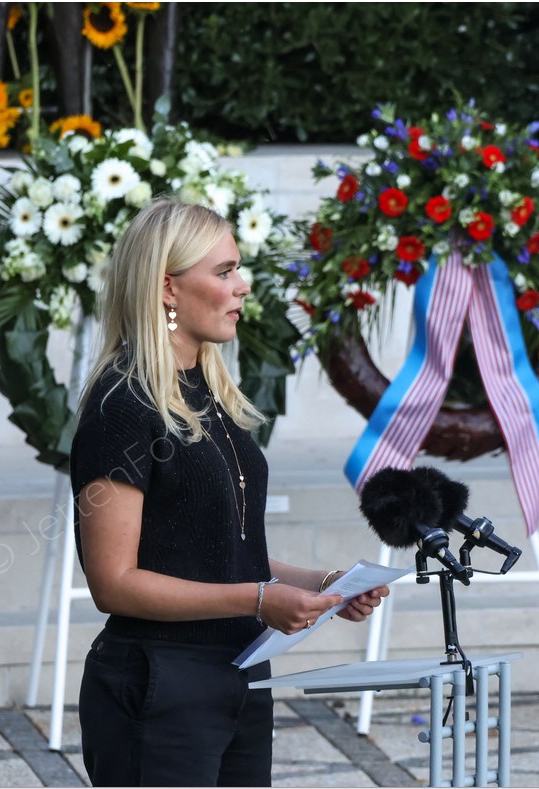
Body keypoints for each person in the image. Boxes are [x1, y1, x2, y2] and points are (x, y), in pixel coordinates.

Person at [70, 198, 389, 787]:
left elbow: (216, 553)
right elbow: (112, 583)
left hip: (238, 675)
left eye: (237, 269)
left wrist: (323, 586)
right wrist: (258, 600)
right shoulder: (123, 406)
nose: (242, 287)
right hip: (159, 686)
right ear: (168, 288)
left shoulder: (208, 392)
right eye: (224, 272)